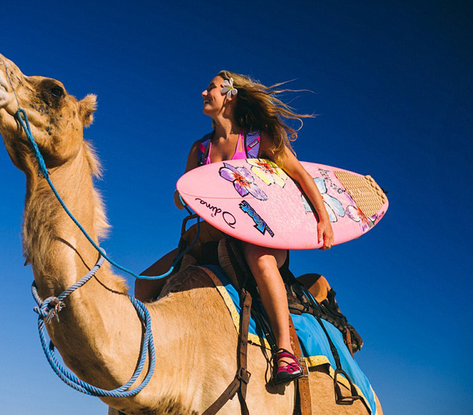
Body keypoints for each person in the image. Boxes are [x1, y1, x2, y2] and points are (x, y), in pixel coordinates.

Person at [137, 71, 334, 385]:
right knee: (144, 284)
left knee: (260, 259)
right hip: (207, 236)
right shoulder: (199, 150)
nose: (204, 92)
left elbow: (300, 175)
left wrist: (322, 218)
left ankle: (285, 350)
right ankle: (151, 359)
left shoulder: (257, 140)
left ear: (230, 95)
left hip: (258, 233)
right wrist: (181, 196)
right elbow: (188, 194)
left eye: (211, 88)